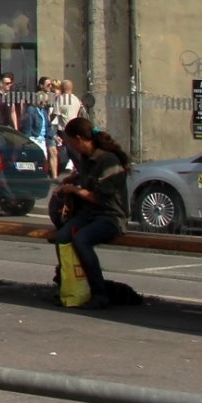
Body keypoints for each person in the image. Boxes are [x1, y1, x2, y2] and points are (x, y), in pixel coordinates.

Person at [49, 119, 130, 304]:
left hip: (110, 216)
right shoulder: (86, 159)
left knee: (81, 239)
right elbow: (86, 177)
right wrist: (73, 178)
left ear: (79, 139)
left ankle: (99, 293)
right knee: (62, 237)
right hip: (89, 215)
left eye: (71, 142)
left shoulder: (108, 160)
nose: (72, 147)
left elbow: (99, 197)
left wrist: (74, 190)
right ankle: (68, 286)